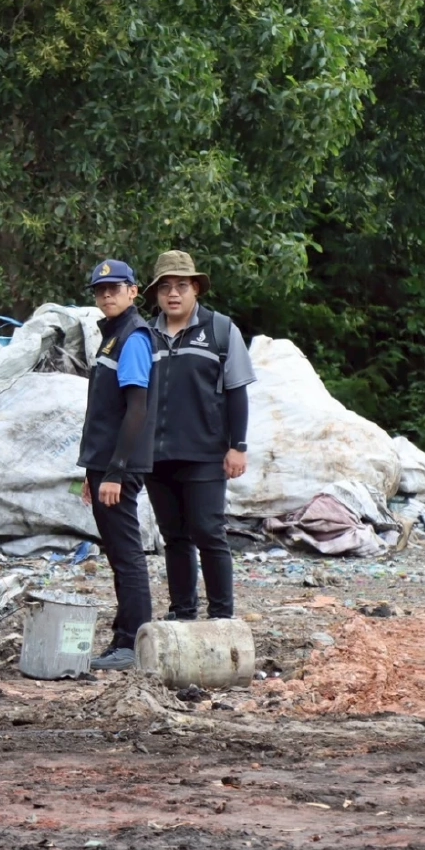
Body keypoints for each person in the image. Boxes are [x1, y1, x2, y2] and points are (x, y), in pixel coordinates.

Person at [143, 250, 256, 621]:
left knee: (208, 533)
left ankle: (222, 616)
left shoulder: (221, 330)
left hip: (205, 453)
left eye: (181, 286)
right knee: (174, 537)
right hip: (157, 455)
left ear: (195, 289)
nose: (172, 294)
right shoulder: (145, 335)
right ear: (156, 294)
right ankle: (182, 612)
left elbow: (237, 390)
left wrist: (237, 447)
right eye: (165, 288)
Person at [78, 259, 156, 671]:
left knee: (127, 555)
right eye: (100, 290)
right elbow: (103, 412)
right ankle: (122, 638)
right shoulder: (112, 338)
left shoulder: (132, 337)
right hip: (104, 465)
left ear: (133, 291)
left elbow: (136, 409)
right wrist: (94, 470)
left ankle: (133, 643)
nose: (107, 295)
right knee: (117, 554)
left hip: (118, 467)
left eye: (115, 287)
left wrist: (116, 471)